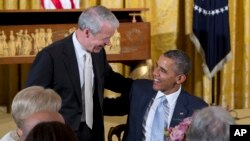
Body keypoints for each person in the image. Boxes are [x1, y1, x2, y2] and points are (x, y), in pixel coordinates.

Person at [25, 5, 133, 141]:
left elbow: (109, 78)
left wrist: (140, 86)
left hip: (94, 132)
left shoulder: (98, 52)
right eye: (105, 38)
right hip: (62, 133)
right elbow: (31, 99)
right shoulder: (50, 56)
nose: (109, 43)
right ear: (87, 32)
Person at [104, 49, 208, 141]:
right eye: (157, 66)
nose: (154, 73)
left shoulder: (197, 108)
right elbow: (108, 107)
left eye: (162, 70)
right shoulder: (139, 89)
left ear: (179, 79)